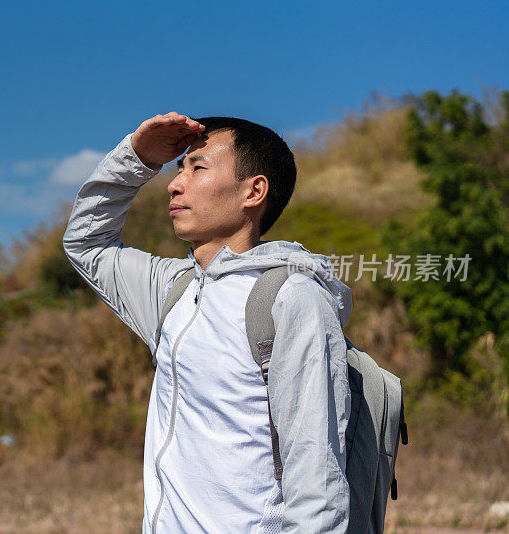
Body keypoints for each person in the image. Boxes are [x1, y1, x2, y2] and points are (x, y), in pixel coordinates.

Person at [63, 112, 352, 533]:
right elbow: (86, 243)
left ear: (254, 191)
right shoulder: (171, 291)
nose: (174, 184)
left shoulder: (292, 298)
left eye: (197, 168)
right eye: (178, 168)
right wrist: (137, 156)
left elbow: (318, 473)